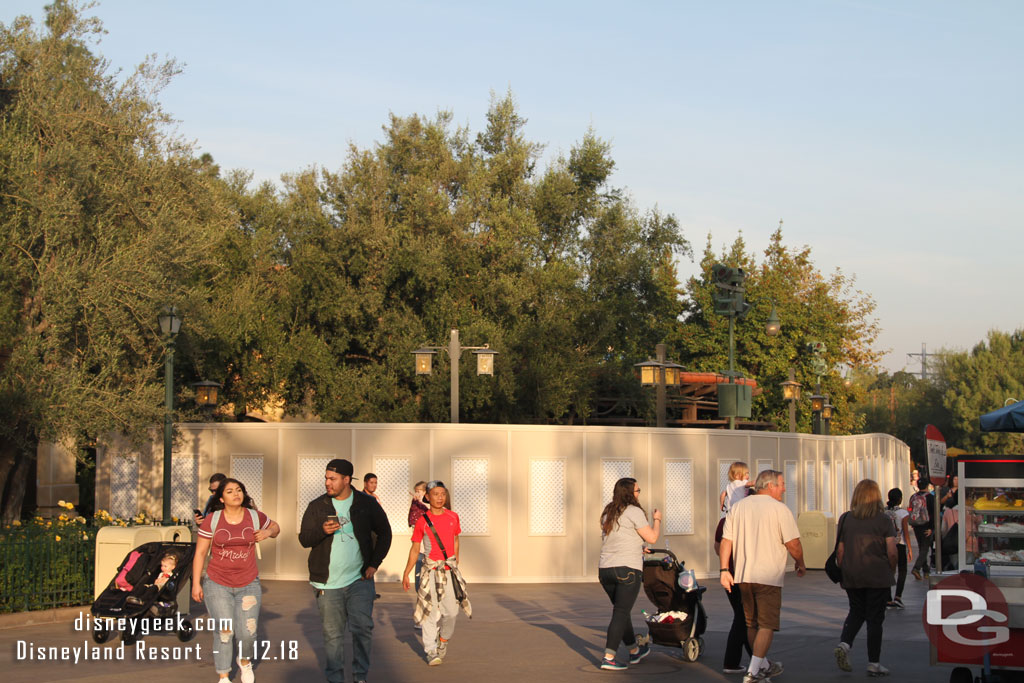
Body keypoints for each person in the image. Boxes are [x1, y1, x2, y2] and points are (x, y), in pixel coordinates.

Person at [299, 458, 392, 683]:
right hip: (327, 584)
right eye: (326, 478)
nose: (327, 483)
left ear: (346, 480)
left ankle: (360, 676)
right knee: (333, 636)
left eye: (332, 479)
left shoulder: (366, 504)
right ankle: (335, 679)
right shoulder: (317, 506)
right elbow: (304, 539)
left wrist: (373, 564)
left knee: (362, 629)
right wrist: (322, 531)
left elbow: (385, 533)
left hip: (359, 579)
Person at [719, 470, 805, 683]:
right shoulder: (780, 510)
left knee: (752, 624)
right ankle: (753, 672)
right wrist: (800, 562)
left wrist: (724, 571)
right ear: (770, 485)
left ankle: (763, 665)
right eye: (782, 484)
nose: (784, 488)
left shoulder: (737, 508)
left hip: (743, 576)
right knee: (766, 624)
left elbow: (726, 541)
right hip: (768, 577)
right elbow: (793, 543)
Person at [192, 478, 280, 683]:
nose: (236, 494)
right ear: (221, 498)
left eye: (239, 490)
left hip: (248, 583)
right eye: (230, 491)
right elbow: (200, 553)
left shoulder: (254, 516)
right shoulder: (212, 520)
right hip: (217, 583)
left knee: (248, 632)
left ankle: (245, 661)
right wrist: (196, 583)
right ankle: (224, 675)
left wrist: (267, 532)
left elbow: (276, 528)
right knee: (224, 631)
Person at [401, 480, 471, 665]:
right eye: (436, 494)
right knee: (430, 612)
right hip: (430, 570)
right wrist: (406, 572)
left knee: (452, 612)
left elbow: (456, 540)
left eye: (443, 494)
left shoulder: (453, 517)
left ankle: (443, 639)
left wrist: (456, 560)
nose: (440, 498)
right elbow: (415, 549)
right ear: (427, 497)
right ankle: (431, 650)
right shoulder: (422, 522)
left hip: (448, 570)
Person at [595, 477, 661, 671]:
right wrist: (657, 520)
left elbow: (616, 540)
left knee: (621, 612)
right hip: (627, 569)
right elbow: (652, 538)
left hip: (606, 570)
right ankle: (609, 657)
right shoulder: (634, 511)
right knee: (621, 612)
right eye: (638, 490)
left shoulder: (609, 512)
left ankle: (634, 651)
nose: (639, 494)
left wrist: (638, 547)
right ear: (630, 493)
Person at [833, 479, 897, 677]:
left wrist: (844, 571)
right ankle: (874, 663)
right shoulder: (884, 520)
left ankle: (844, 644)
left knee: (856, 611)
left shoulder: (845, 519)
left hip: (853, 574)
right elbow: (892, 551)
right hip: (877, 574)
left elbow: (840, 552)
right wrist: (891, 570)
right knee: (875, 620)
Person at [715, 513, 751, 674]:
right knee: (743, 618)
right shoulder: (742, 521)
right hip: (742, 575)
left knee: (742, 617)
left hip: (729, 573)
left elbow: (718, 546)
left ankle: (756, 659)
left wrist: (726, 562)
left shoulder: (724, 521)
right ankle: (733, 662)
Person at [883, 488, 912, 609]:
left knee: (888, 571)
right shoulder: (903, 513)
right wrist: (909, 549)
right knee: (902, 570)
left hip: (885, 545)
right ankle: (898, 597)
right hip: (899, 544)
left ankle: (888, 598)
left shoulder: (883, 512)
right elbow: (906, 532)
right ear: (900, 499)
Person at [909, 479, 935, 580]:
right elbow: (932, 514)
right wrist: (931, 528)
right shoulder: (930, 497)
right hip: (926, 525)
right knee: (925, 548)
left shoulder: (913, 497)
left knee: (921, 547)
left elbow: (910, 510)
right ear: (927, 486)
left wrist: (913, 521)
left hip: (916, 526)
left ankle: (926, 570)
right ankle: (916, 568)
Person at [408, 481, 429, 589]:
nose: (417, 493)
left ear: (425, 492)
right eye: (416, 491)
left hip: (426, 536)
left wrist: (421, 501)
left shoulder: (427, 502)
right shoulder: (415, 501)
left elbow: (429, 509)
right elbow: (412, 512)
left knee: (422, 557)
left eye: (419, 491)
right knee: (418, 557)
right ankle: (418, 585)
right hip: (416, 530)